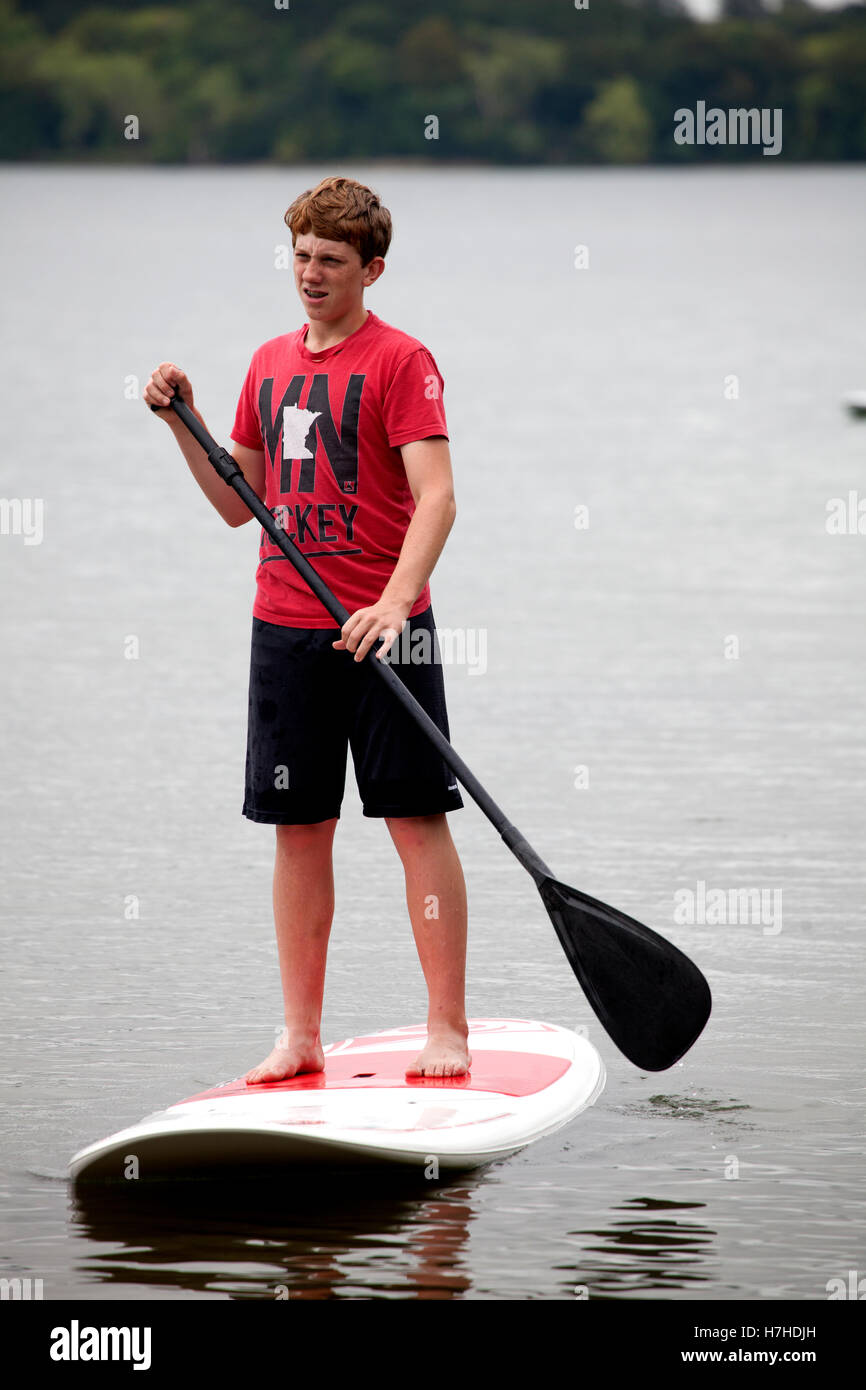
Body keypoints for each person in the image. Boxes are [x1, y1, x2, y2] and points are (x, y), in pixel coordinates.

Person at [144, 176, 471, 1081]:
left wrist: (394, 604)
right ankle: (299, 1036)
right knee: (299, 829)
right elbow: (234, 507)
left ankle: (447, 1027)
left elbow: (438, 500)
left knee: (415, 821)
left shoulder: (404, 362)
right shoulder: (268, 365)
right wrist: (186, 423)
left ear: (372, 268)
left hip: (387, 628)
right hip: (286, 630)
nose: (311, 274)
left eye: (330, 260)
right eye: (300, 256)